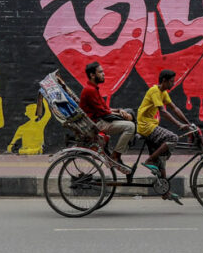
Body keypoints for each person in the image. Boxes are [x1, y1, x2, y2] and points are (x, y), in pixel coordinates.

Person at [136, 69, 191, 204]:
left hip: (151, 125)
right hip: (145, 126)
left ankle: (165, 192)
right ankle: (149, 160)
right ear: (164, 81)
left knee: (161, 158)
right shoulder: (155, 91)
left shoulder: (164, 92)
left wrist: (188, 123)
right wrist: (179, 124)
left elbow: (174, 108)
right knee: (173, 138)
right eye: (171, 81)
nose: (173, 83)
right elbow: (163, 111)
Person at [79, 62, 135, 173]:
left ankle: (117, 155)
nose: (103, 74)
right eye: (100, 72)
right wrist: (122, 115)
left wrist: (119, 111)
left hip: (100, 120)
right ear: (92, 75)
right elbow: (103, 112)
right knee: (130, 126)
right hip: (97, 124)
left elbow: (105, 108)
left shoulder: (93, 89)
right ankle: (115, 156)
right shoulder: (89, 90)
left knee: (129, 113)